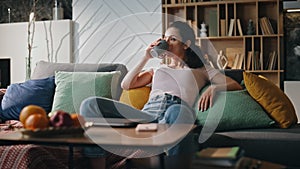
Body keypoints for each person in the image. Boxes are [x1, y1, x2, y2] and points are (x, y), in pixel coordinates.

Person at [80, 21, 243, 169]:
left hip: (176, 110)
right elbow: (126, 85)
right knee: (89, 104)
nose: (166, 43)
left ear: (186, 44)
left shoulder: (201, 70)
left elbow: (234, 83)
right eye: (164, 39)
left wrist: (214, 88)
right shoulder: (157, 69)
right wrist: (146, 56)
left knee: (177, 112)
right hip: (148, 114)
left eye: (172, 39)